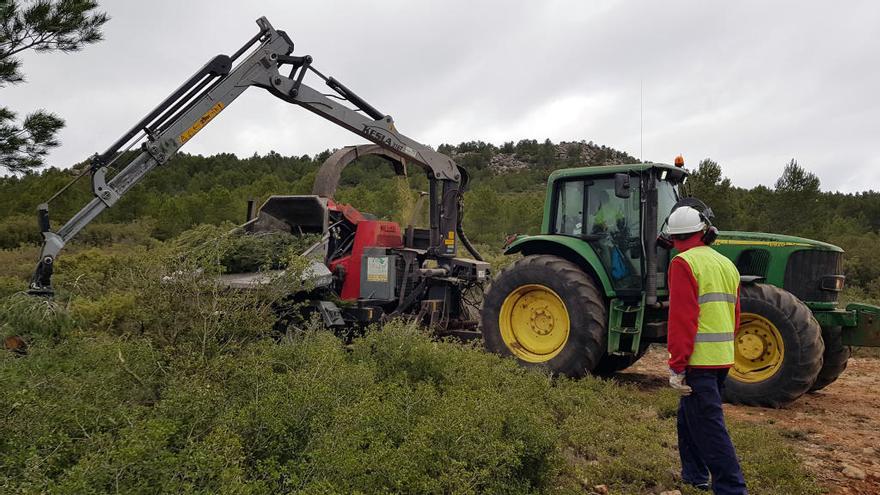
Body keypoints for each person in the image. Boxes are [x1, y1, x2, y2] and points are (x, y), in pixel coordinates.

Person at [664, 204, 748, 495]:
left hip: (698, 361)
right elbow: (736, 315)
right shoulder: (726, 264)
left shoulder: (683, 263)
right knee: (689, 418)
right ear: (704, 232)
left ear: (674, 238)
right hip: (722, 358)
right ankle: (694, 475)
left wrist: (677, 363)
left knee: (710, 428)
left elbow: (682, 319)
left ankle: (731, 489)